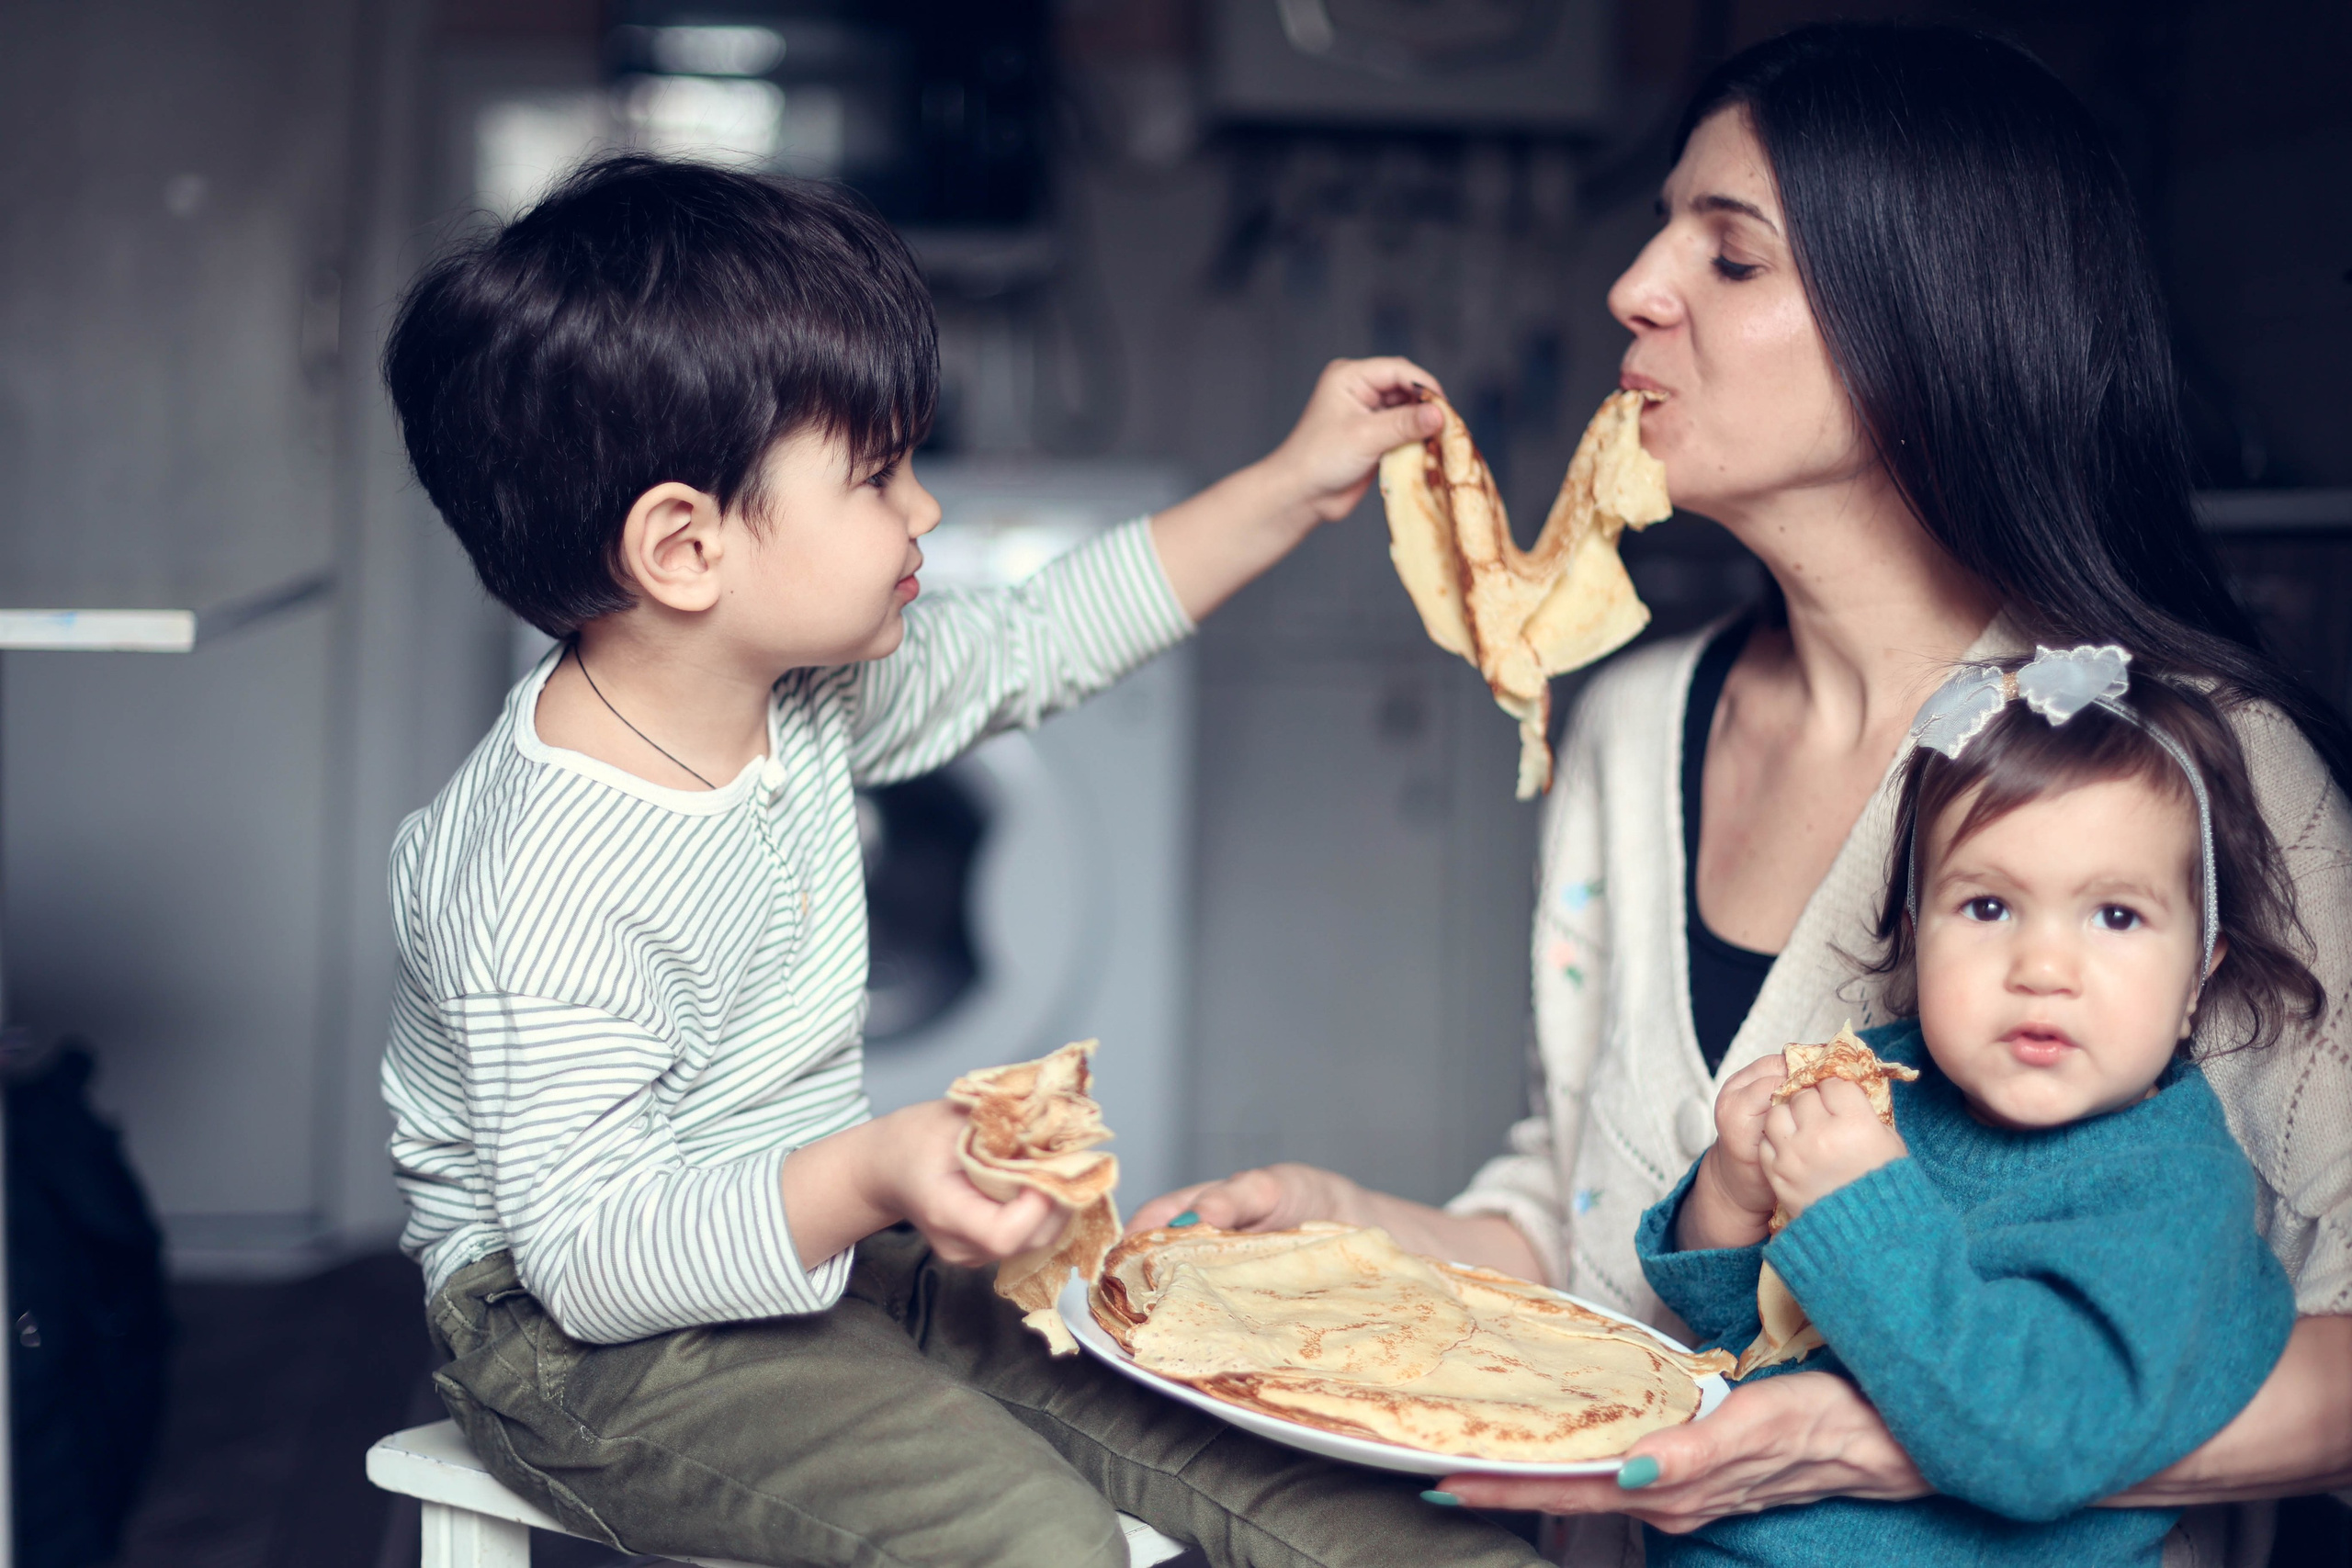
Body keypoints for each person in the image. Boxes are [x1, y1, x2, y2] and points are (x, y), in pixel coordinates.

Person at [1131, 24, 2352, 1562]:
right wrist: (1356, 1230)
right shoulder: (1636, 725)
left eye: (1730, 255)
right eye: (1664, 234)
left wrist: (1901, 1438)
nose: (1635, 287)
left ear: (1927, 323)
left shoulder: (2192, 770)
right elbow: (1589, 1215)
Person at [377, 154, 1551, 1568]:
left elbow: (1039, 639)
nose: (924, 510)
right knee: (1034, 1538)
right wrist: (875, 1167)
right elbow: (597, 1252)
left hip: (817, 1256)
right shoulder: (543, 863)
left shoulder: (799, 691)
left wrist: (1293, 485)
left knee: (1312, 1473)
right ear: (684, 546)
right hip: (578, 1335)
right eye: (877, 474)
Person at [1641, 648, 2309, 1565]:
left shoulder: (2174, 1192)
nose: (2041, 969)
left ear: (2199, 975)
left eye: (2115, 916)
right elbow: (1736, 1339)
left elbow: (2034, 1445)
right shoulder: (1877, 1087)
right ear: (1917, 938)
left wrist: (1856, 1210)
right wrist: (1730, 1188)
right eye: (1987, 907)